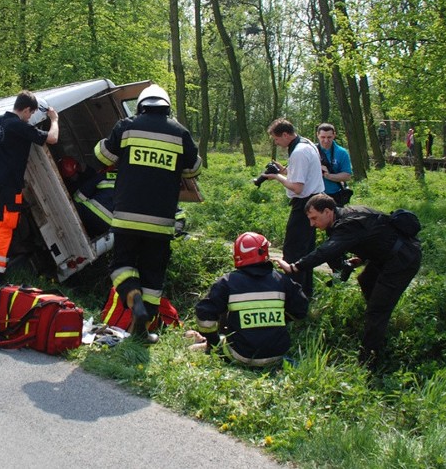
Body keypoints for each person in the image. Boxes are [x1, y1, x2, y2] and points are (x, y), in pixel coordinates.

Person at [94, 84, 201, 343]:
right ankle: (143, 331)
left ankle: (133, 298)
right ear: (167, 106)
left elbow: (103, 156)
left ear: (142, 104)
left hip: (127, 216)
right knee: (153, 275)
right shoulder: (180, 132)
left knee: (121, 266)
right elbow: (193, 169)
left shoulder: (126, 126)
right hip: (162, 221)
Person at [274, 194, 422, 367]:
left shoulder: (347, 223)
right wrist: (362, 257)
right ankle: (376, 324)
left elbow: (327, 251)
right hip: (389, 255)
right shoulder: (345, 217)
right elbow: (376, 234)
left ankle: (367, 363)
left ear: (328, 211)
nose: (312, 224)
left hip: (403, 259)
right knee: (365, 280)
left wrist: (295, 267)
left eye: (314, 218)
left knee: (377, 311)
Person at [0, 91, 59, 285]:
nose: (29, 118)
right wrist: (54, 119)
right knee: (6, 228)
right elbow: (52, 139)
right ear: (26, 109)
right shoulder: (19, 126)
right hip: (10, 183)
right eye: (30, 114)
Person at [190, 232, 309, 367]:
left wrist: (213, 343)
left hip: (240, 356)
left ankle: (204, 345)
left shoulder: (228, 282)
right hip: (276, 356)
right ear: (264, 252)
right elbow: (301, 310)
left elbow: (204, 313)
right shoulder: (281, 280)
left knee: (223, 336)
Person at [264, 118, 325, 298]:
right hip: (315, 201)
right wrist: (284, 170)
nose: (277, 143)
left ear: (285, 134)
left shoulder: (298, 151)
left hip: (304, 204)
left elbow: (297, 187)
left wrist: (276, 177)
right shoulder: (307, 143)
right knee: (307, 250)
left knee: (293, 251)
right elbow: (303, 173)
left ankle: (292, 294)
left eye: (276, 139)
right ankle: (306, 291)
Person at [316, 123, 353, 207]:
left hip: (334, 195)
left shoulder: (342, 152)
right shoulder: (311, 151)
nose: (326, 140)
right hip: (315, 195)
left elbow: (347, 176)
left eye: (329, 137)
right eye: (323, 137)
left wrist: (328, 176)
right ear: (317, 135)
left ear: (334, 135)